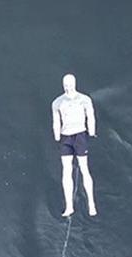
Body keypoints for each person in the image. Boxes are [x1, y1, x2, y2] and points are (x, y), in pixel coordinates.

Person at [51, 74, 97, 217]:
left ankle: (91, 203)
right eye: (65, 86)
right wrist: (57, 135)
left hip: (80, 135)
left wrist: (92, 131)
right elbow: (56, 120)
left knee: (84, 168)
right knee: (66, 169)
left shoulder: (84, 99)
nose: (68, 88)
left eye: (70, 85)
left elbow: (91, 116)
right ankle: (69, 206)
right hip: (66, 137)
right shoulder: (57, 102)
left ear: (75, 84)